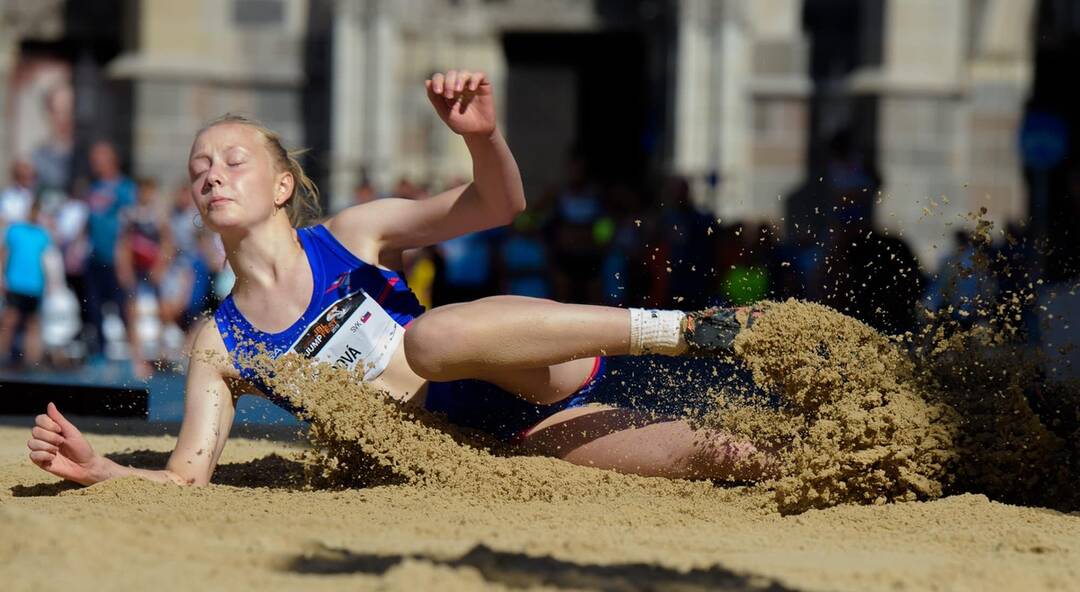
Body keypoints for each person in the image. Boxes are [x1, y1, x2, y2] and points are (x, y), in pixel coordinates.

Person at [26, 69, 766, 489]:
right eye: (199, 170)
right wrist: (104, 468)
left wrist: (481, 137)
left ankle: (692, 331)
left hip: (532, 369)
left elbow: (498, 204)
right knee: (734, 460)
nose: (212, 174)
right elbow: (187, 477)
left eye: (232, 160)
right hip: (509, 439)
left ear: (283, 186)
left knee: (432, 338)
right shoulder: (222, 344)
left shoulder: (351, 235)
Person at [115, 177, 174, 377]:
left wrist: (161, 266)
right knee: (132, 312)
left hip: (154, 267)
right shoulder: (129, 213)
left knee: (163, 311)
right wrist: (124, 268)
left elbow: (167, 242)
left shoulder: (159, 214)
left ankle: (161, 352)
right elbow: (124, 243)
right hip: (136, 267)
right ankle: (138, 358)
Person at [83, 141, 137, 359]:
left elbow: (130, 226)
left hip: (117, 259)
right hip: (94, 257)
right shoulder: (93, 188)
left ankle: (134, 354)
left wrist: (125, 259)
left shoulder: (125, 188)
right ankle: (100, 352)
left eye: (99, 158)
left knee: (124, 306)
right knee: (93, 307)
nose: (94, 163)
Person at [0, 195, 51, 366]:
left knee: (33, 323)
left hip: (35, 285)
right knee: (10, 320)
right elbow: (4, 254)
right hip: (15, 282)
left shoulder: (42, 234)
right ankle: (3, 356)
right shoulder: (15, 230)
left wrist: (50, 284)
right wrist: (2, 277)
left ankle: (32, 362)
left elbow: (47, 261)